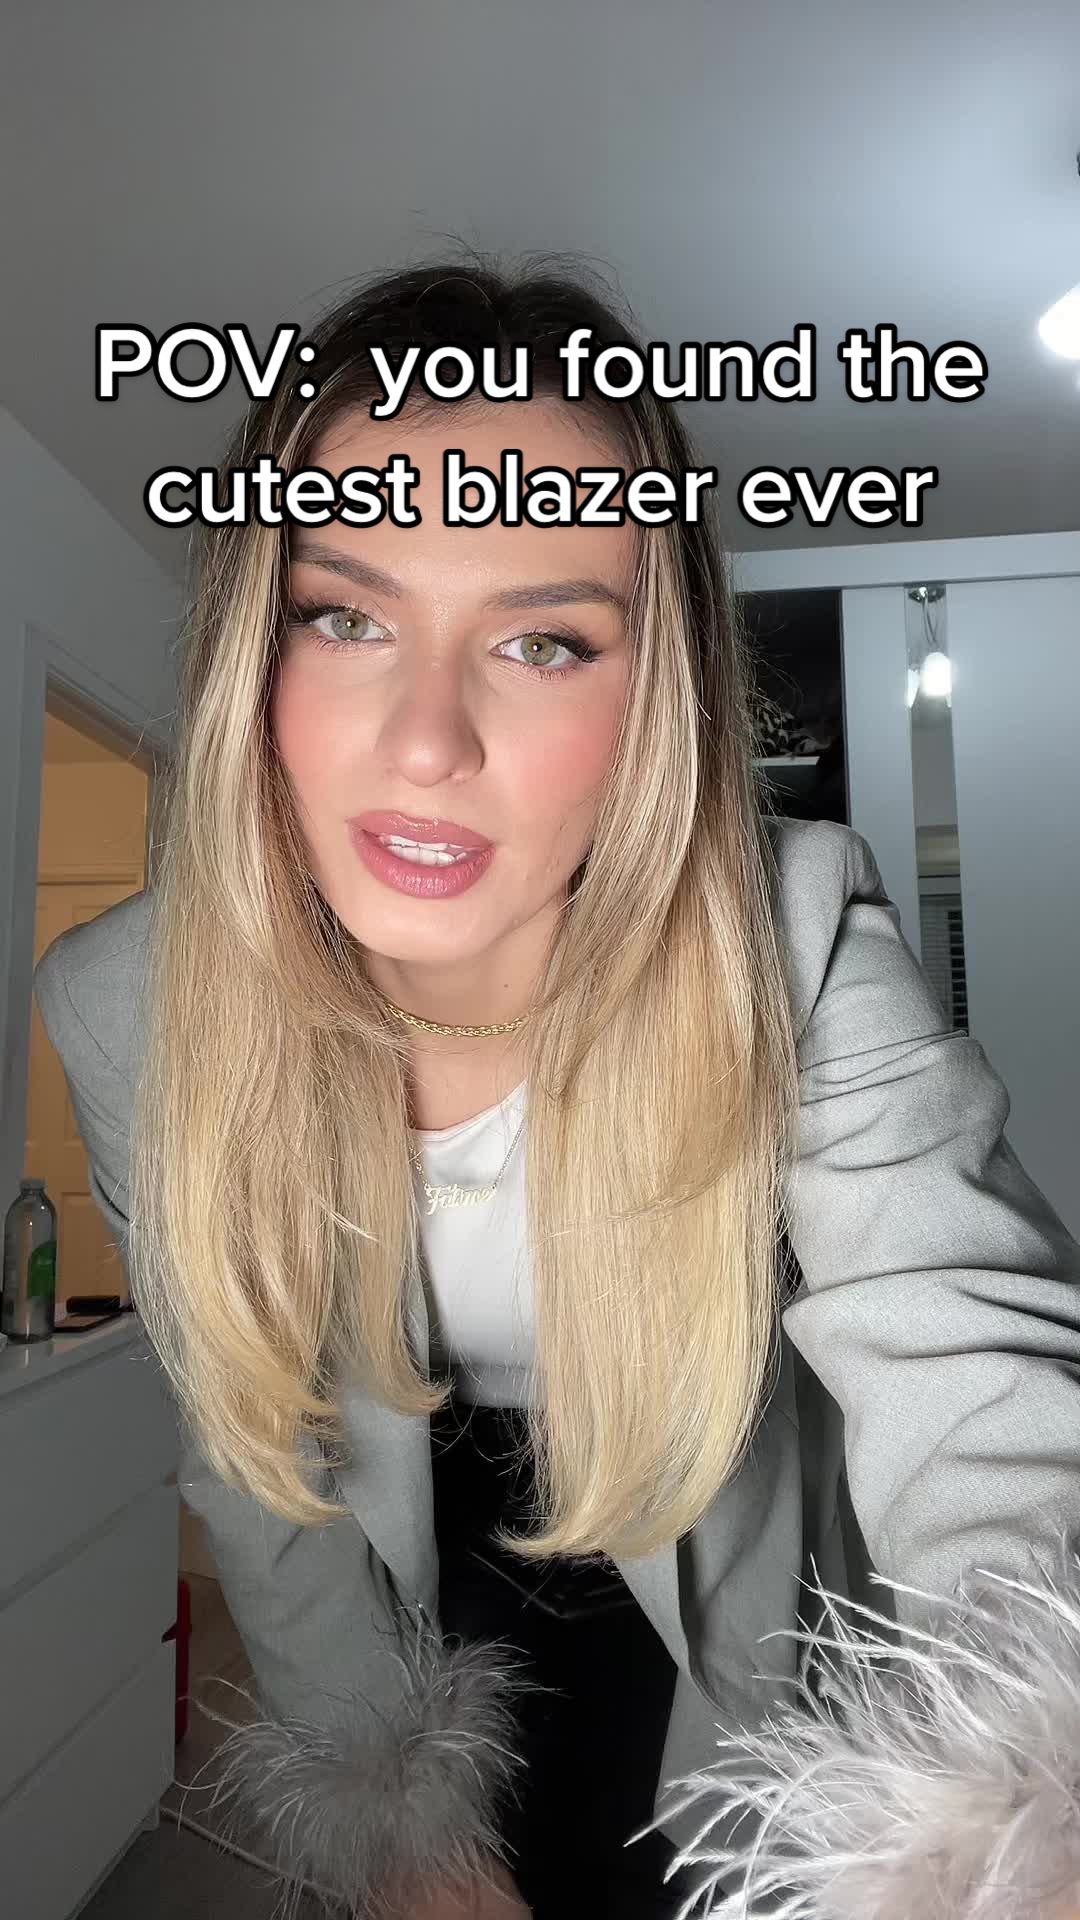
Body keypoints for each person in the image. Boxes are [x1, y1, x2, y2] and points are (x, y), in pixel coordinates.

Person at [32, 254, 1080, 1920]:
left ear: (652, 693)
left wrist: (1039, 1781)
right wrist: (392, 1823)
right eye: (348, 614)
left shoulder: (788, 932)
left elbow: (970, 1355)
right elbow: (250, 1441)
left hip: (709, 1526)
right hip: (402, 1529)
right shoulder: (128, 1007)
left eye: (541, 640)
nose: (426, 740)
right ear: (256, 651)